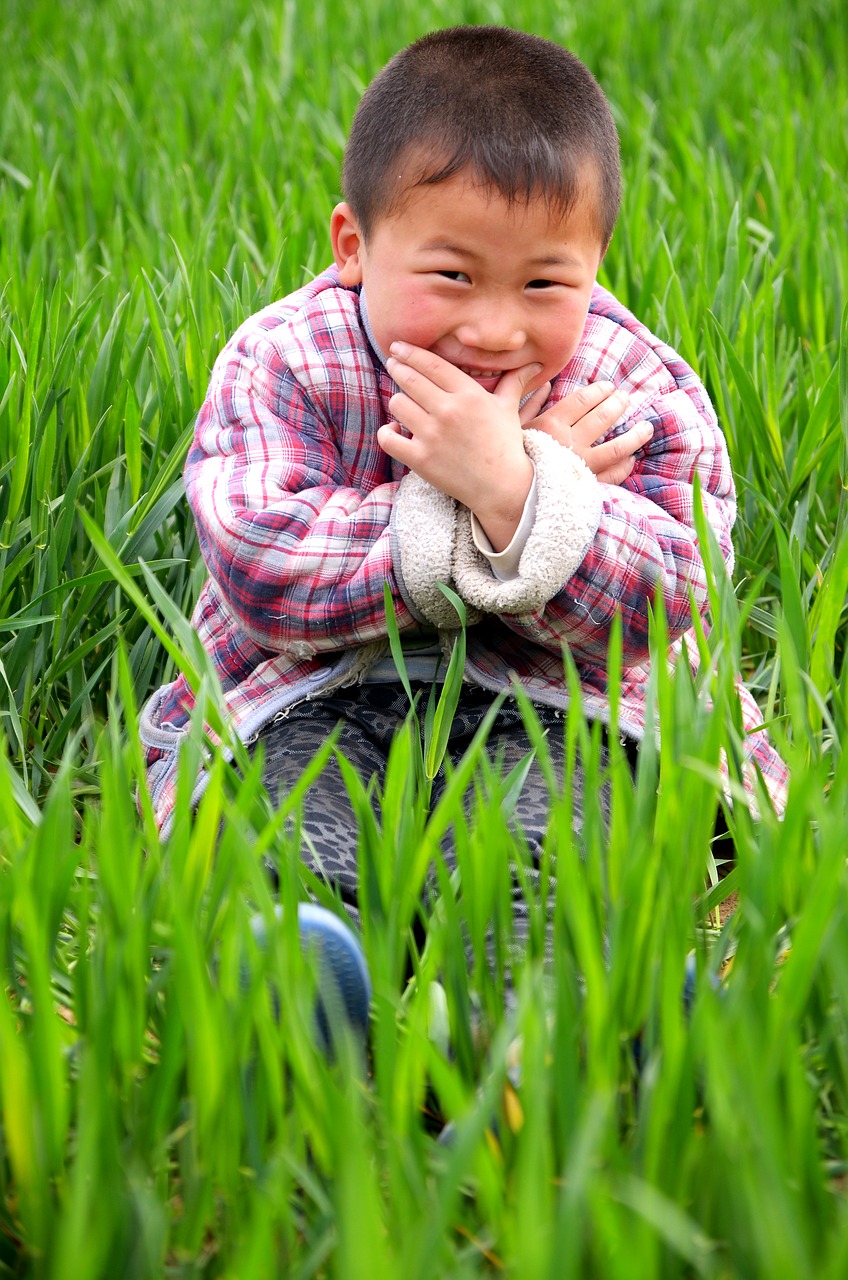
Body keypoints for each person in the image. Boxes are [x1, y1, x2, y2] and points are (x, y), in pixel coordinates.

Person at [140, 26, 788, 959]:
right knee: (292, 824)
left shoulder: (633, 386)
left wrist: (527, 495)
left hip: (560, 709)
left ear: (596, 264)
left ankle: (536, 1022)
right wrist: (472, 508)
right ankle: (298, 989)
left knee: (552, 842)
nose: (494, 327)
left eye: (544, 283)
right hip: (321, 693)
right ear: (354, 245)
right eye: (452, 276)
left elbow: (684, 590)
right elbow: (261, 564)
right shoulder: (286, 358)